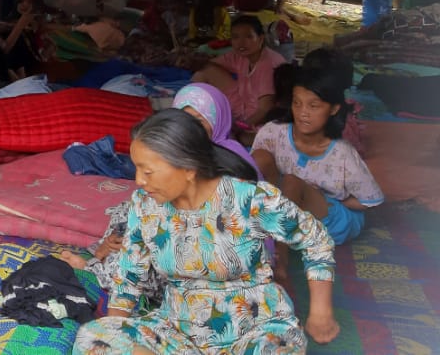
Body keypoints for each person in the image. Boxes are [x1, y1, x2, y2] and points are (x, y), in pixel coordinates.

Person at [72, 109, 340, 354]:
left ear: (188, 168)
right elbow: (129, 278)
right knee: (92, 339)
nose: (139, 180)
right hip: (178, 334)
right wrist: (117, 336)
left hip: (255, 330)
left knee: (278, 350)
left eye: (148, 171)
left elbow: (315, 239)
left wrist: (321, 311)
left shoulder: (247, 199)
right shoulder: (144, 206)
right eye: (137, 168)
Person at [251, 67, 383, 277]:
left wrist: (329, 198)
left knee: (292, 182)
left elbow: (370, 200)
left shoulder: (342, 153)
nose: (303, 112)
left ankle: (280, 257)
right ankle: (259, 229)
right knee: (259, 158)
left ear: (333, 108)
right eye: (297, 103)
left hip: (331, 219)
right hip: (285, 205)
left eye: (313, 106)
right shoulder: (273, 132)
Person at [191, 16, 286, 137]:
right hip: (242, 102)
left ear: (261, 39)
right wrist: (189, 59)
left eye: (248, 37)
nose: (241, 42)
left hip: (263, 116)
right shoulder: (240, 55)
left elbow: (265, 109)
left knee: (245, 137)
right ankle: (193, 112)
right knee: (205, 71)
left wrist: (239, 128)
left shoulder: (269, 64)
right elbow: (210, 63)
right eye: (235, 37)